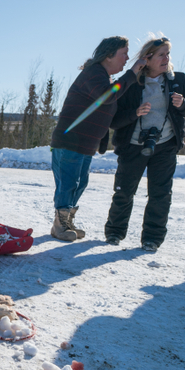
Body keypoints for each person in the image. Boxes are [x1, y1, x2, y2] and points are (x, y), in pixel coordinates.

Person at [104, 35, 185, 251]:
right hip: (132, 146)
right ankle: (114, 232)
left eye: (168, 54)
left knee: (161, 194)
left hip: (165, 145)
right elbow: (113, 119)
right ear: (147, 59)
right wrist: (134, 114)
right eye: (161, 55)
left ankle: (152, 238)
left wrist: (184, 103)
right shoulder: (130, 83)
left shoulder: (179, 80)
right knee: (124, 191)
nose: (166, 58)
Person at [48, 37, 146, 241]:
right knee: (68, 183)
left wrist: (135, 113)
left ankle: (67, 222)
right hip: (70, 142)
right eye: (124, 53)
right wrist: (132, 73)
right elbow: (107, 97)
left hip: (85, 145)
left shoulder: (105, 78)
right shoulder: (93, 73)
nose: (127, 58)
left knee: (80, 182)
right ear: (109, 55)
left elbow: (111, 118)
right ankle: (60, 225)